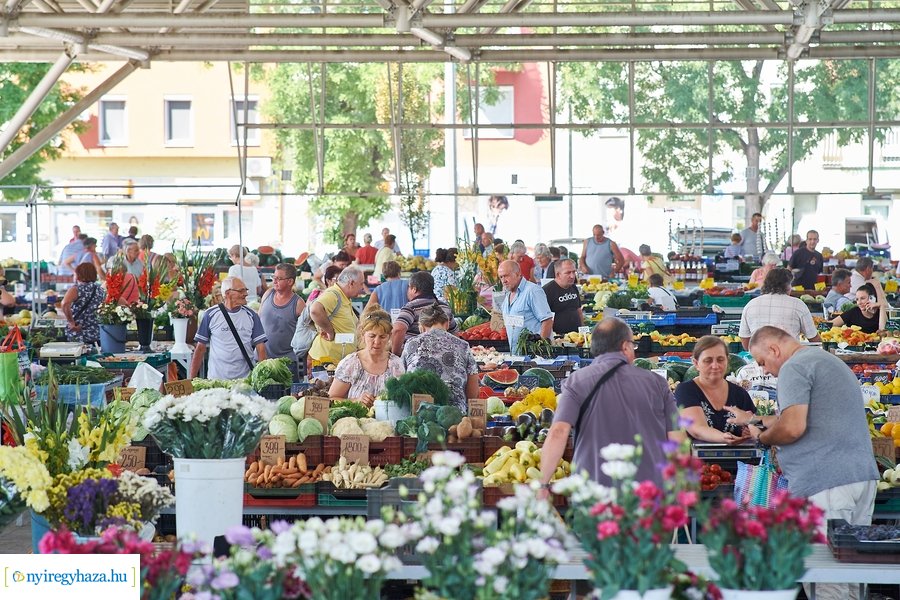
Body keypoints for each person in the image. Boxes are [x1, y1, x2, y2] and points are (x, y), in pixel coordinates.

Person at [728, 326, 879, 600]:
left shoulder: (794, 367)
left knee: (827, 581)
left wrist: (762, 438)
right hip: (857, 477)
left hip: (827, 484)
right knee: (851, 577)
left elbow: (793, 427)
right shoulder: (825, 360)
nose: (765, 371)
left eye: (762, 362)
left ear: (774, 349)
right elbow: (803, 417)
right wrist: (752, 420)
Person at [538, 318, 678, 489]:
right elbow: (676, 439)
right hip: (648, 495)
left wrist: (543, 484)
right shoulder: (657, 383)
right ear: (625, 347)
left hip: (594, 494)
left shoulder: (576, 381)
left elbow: (558, 432)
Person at [675, 336, 755, 444]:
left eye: (720, 360)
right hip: (698, 460)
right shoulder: (686, 390)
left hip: (738, 460)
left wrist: (752, 430)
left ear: (728, 361)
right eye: (708, 361)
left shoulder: (740, 394)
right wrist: (725, 438)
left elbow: (758, 423)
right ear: (696, 363)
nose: (715, 365)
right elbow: (697, 429)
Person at [401, 302, 479, 412]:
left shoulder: (411, 344)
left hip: (419, 412)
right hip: (455, 413)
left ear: (421, 327)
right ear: (447, 324)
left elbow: (402, 378)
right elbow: (473, 390)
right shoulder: (463, 345)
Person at [190, 277, 267, 380]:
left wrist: (262, 379)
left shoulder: (252, 315)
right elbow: (200, 348)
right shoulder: (210, 314)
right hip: (217, 380)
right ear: (227, 294)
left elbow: (261, 348)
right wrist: (191, 379)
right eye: (241, 291)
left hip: (245, 380)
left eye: (246, 290)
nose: (246, 294)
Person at [329, 307, 404, 407]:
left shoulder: (396, 364)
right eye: (372, 336)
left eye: (382, 337)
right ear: (363, 334)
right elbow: (331, 398)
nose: (377, 342)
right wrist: (356, 401)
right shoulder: (350, 364)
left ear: (389, 336)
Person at [739, 268, 820, 349]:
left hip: (759, 358)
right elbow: (814, 339)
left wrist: (755, 353)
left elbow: (744, 339)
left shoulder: (751, 305)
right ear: (787, 286)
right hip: (790, 357)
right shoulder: (798, 304)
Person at [391, 271, 458, 355]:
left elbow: (398, 329)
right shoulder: (444, 307)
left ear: (414, 289)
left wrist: (395, 354)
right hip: (442, 354)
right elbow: (454, 333)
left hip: (415, 355)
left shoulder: (411, 307)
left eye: (409, 287)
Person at [309, 267, 367, 363]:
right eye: (361, 284)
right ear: (351, 283)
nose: (362, 288)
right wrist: (329, 331)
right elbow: (315, 310)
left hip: (338, 360)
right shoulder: (333, 294)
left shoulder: (344, 297)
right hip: (326, 360)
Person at [259, 263, 306, 381]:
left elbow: (305, 334)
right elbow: (258, 319)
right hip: (262, 358)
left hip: (287, 363)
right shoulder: (268, 294)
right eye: (274, 278)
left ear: (290, 282)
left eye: (278, 278)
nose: (274, 281)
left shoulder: (299, 304)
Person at [498, 259, 553, 347]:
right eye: (501, 277)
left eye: (506, 276)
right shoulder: (507, 295)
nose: (503, 280)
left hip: (534, 355)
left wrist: (540, 348)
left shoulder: (532, 291)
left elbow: (547, 321)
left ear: (518, 273)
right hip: (516, 354)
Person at [60, 263, 103, 346]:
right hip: (97, 335)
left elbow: (65, 304)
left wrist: (71, 322)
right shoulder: (100, 290)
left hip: (78, 335)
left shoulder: (76, 289)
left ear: (78, 274)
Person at [542, 259, 583, 335]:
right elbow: (544, 319)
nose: (572, 276)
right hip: (558, 337)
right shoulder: (547, 291)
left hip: (576, 336)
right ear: (558, 274)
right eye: (568, 273)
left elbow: (578, 310)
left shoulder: (573, 287)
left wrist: (583, 331)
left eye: (574, 272)